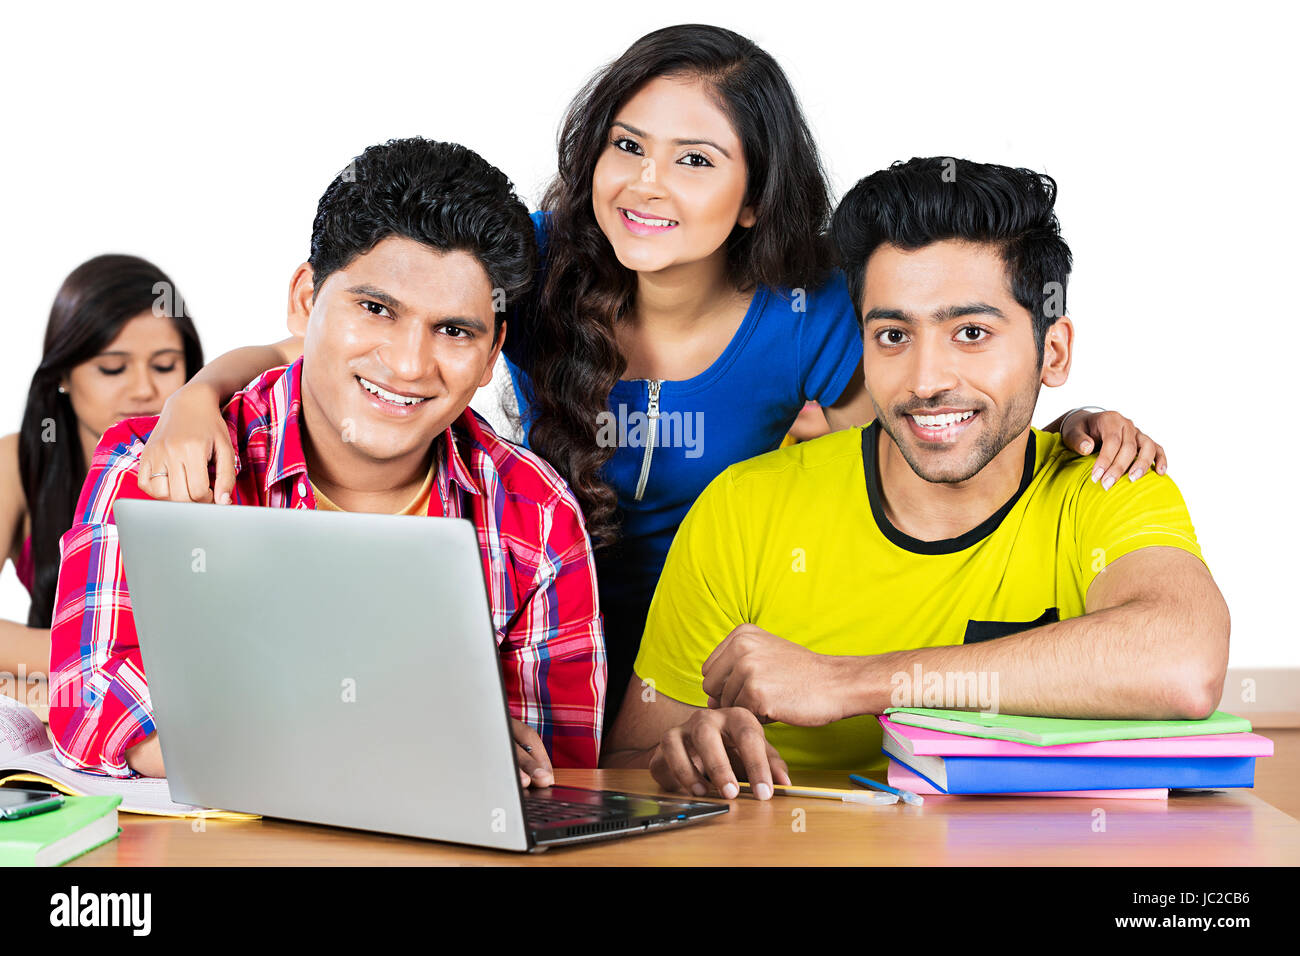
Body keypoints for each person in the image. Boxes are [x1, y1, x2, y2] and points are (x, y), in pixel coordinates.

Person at [130, 26, 1164, 732]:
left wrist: (1072, 425)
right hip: (535, 623)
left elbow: (929, 409)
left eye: (697, 160)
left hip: (715, 655)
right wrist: (191, 400)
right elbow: (344, 342)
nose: (647, 184)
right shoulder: (536, 257)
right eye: (627, 145)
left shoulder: (809, 305)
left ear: (758, 199)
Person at [602, 157, 1229, 799]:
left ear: (1055, 351)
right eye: (894, 335)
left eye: (972, 332)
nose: (926, 381)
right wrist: (681, 758)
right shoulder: (746, 506)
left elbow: (1183, 664)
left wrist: (848, 681)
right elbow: (630, 761)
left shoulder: (1105, 482)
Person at [47, 138, 605, 781]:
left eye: (453, 330)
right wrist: (390, 729)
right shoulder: (160, 463)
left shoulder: (534, 515)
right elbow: (91, 710)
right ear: (306, 299)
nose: (406, 364)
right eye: (376, 310)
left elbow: (554, 773)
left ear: (491, 352)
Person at [0, 255, 203, 693]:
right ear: (63, 376)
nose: (144, 390)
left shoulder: (216, 457)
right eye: (112, 368)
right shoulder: (18, 461)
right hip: (69, 708)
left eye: (165, 365)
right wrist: (93, 663)